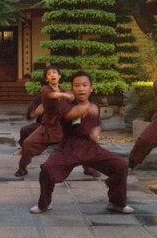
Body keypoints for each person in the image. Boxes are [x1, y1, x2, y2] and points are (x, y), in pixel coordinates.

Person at [30, 71, 132, 214]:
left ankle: (116, 202)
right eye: (77, 85)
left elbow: (96, 124)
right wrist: (85, 109)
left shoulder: (95, 105)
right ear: (72, 88)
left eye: (85, 85)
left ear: (91, 88)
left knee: (120, 166)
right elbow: (68, 115)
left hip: (90, 148)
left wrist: (96, 131)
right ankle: (44, 204)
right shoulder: (65, 104)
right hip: (69, 147)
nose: (81, 89)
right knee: (47, 169)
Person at [15, 65, 100, 178]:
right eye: (49, 74)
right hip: (48, 127)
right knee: (28, 144)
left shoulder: (65, 90)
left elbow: (75, 101)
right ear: (47, 79)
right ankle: (22, 168)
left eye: (54, 72)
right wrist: (64, 95)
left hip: (64, 126)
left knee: (82, 145)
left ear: (59, 76)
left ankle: (89, 168)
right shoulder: (46, 89)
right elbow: (52, 95)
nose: (52, 75)